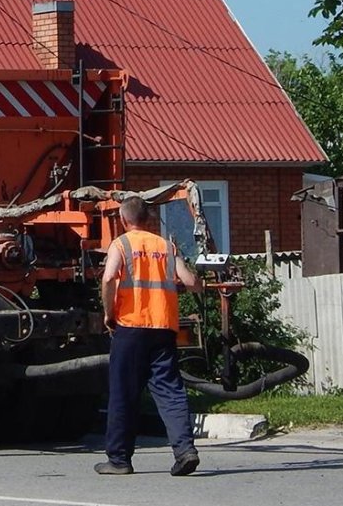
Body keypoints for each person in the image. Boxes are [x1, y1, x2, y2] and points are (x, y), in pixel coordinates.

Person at [94, 195, 202, 478]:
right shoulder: (166, 246)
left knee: (123, 394)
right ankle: (185, 450)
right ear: (149, 219)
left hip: (130, 328)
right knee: (170, 392)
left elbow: (108, 278)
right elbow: (191, 282)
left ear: (123, 219)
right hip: (164, 328)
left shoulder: (121, 244)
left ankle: (119, 460)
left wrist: (109, 313)